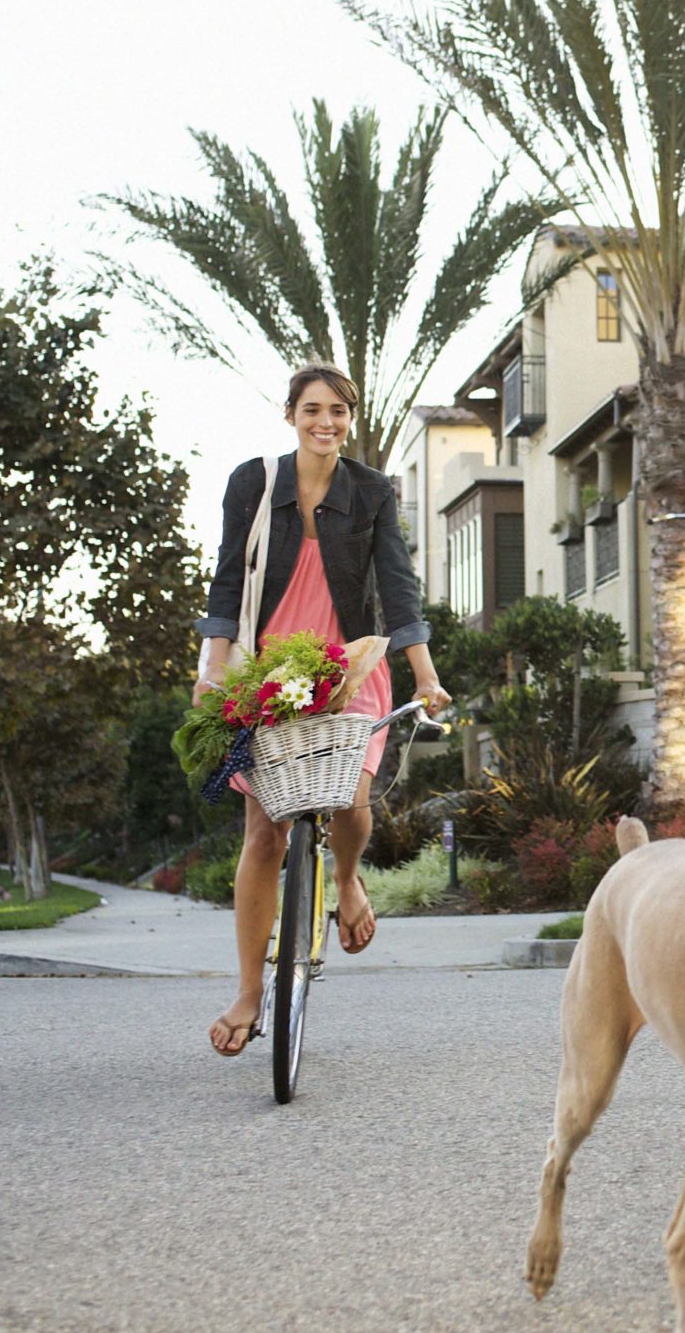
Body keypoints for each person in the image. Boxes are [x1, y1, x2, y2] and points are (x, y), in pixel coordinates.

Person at [196, 364, 451, 1057]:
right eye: (313, 409)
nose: (326, 422)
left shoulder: (370, 492)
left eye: (337, 410)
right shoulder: (255, 482)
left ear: (350, 416)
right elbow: (226, 576)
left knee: (352, 799)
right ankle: (250, 991)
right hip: (268, 670)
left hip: (347, 666)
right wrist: (216, 669)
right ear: (290, 415)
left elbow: (397, 586)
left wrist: (425, 676)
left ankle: (345, 880)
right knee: (262, 831)